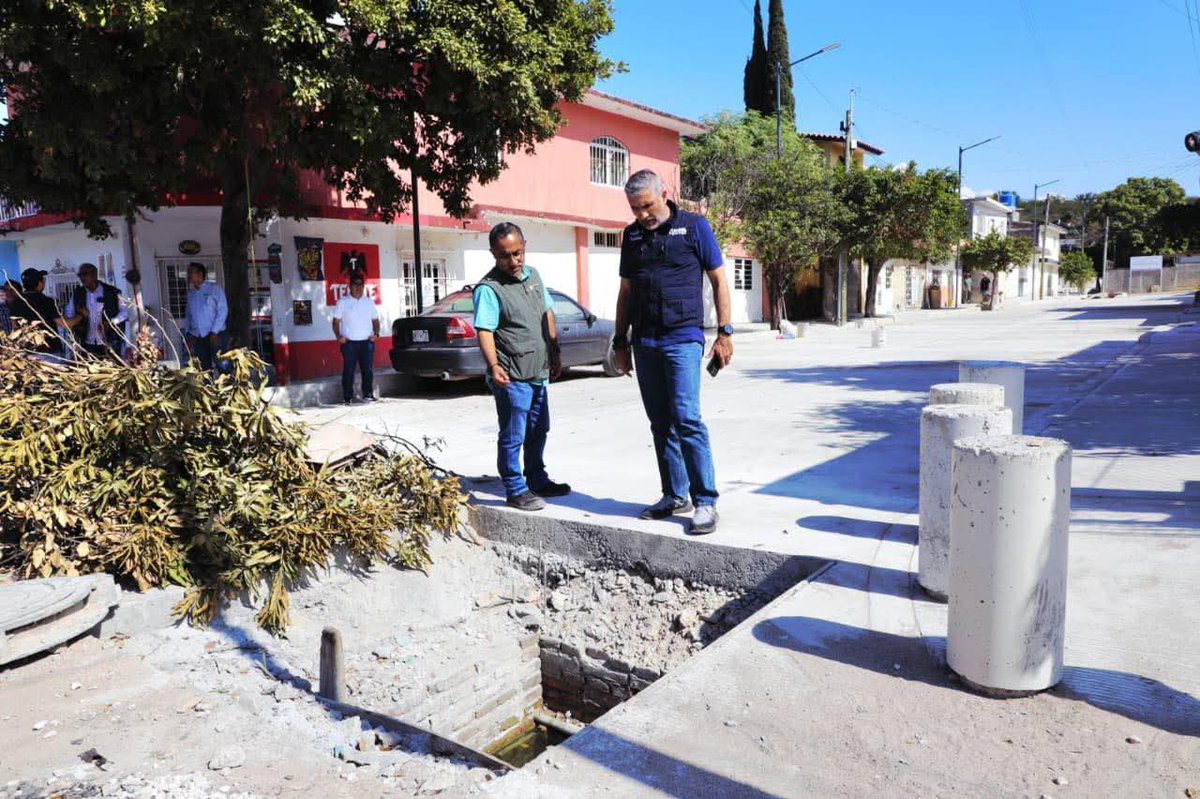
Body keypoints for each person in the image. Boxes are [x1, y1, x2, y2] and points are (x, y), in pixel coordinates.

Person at [612, 169, 732, 536]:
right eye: (635, 209)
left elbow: (719, 280)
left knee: (687, 418)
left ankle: (705, 500)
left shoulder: (694, 227)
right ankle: (674, 495)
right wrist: (620, 341)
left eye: (647, 205)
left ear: (663, 194)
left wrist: (725, 332)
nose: (642, 214)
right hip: (645, 341)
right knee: (660, 423)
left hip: (682, 338)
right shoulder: (632, 236)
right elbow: (626, 292)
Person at [473, 222, 570, 512]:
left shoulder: (534, 276)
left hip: (538, 370)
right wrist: (493, 365)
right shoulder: (489, 289)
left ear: (524, 246)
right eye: (505, 256)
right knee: (513, 433)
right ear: (493, 253)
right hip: (511, 374)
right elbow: (485, 330)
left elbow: (546, 311)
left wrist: (554, 349)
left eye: (517, 253)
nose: (513, 261)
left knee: (539, 428)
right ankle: (515, 488)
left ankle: (537, 478)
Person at [332, 270, 380, 404]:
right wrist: (338, 336)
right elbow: (335, 321)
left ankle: (368, 394)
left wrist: (376, 334)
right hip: (349, 343)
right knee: (349, 370)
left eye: (360, 284)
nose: (358, 287)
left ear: (363, 286)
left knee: (368, 370)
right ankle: (347, 397)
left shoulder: (368, 302)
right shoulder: (343, 302)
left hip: (366, 342)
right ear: (350, 286)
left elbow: (375, 320)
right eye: (355, 284)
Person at [64, 262, 128, 359]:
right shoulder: (77, 293)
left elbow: (125, 312)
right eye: (80, 275)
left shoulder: (112, 292)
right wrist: (79, 317)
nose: (82, 278)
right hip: (85, 344)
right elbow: (69, 313)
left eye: (85, 274)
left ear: (94, 275)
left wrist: (111, 323)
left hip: (109, 342)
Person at [182, 262, 229, 373]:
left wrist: (214, 331)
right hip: (199, 337)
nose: (189, 275)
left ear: (200, 274)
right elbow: (189, 315)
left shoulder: (214, 289)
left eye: (191, 272)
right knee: (203, 369)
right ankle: (207, 384)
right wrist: (189, 333)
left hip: (216, 335)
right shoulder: (191, 294)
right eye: (188, 272)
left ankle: (227, 383)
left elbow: (222, 310)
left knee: (222, 365)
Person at [12, 268, 68, 356]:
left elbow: (14, 327)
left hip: (28, 350)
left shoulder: (16, 302)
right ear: (40, 283)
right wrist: (80, 316)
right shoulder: (47, 301)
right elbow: (63, 324)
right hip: (49, 350)